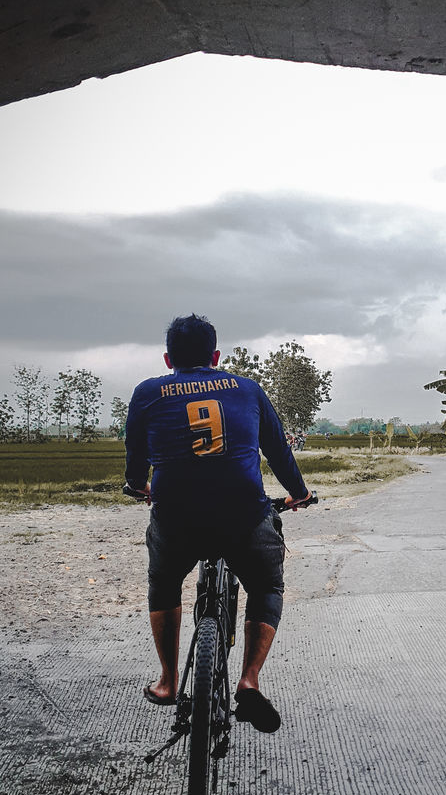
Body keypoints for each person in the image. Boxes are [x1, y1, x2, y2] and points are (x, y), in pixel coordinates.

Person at [124, 314, 312, 733]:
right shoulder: (246, 389)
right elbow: (279, 450)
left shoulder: (148, 392)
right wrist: (297, 492)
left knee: (165, 583)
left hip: (177, 519)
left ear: (168, 358)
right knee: (266, 587)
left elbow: (135, 453)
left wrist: (137, 485)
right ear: (216, 356)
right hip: (243, 515)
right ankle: (249, 680)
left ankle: (169, 681)